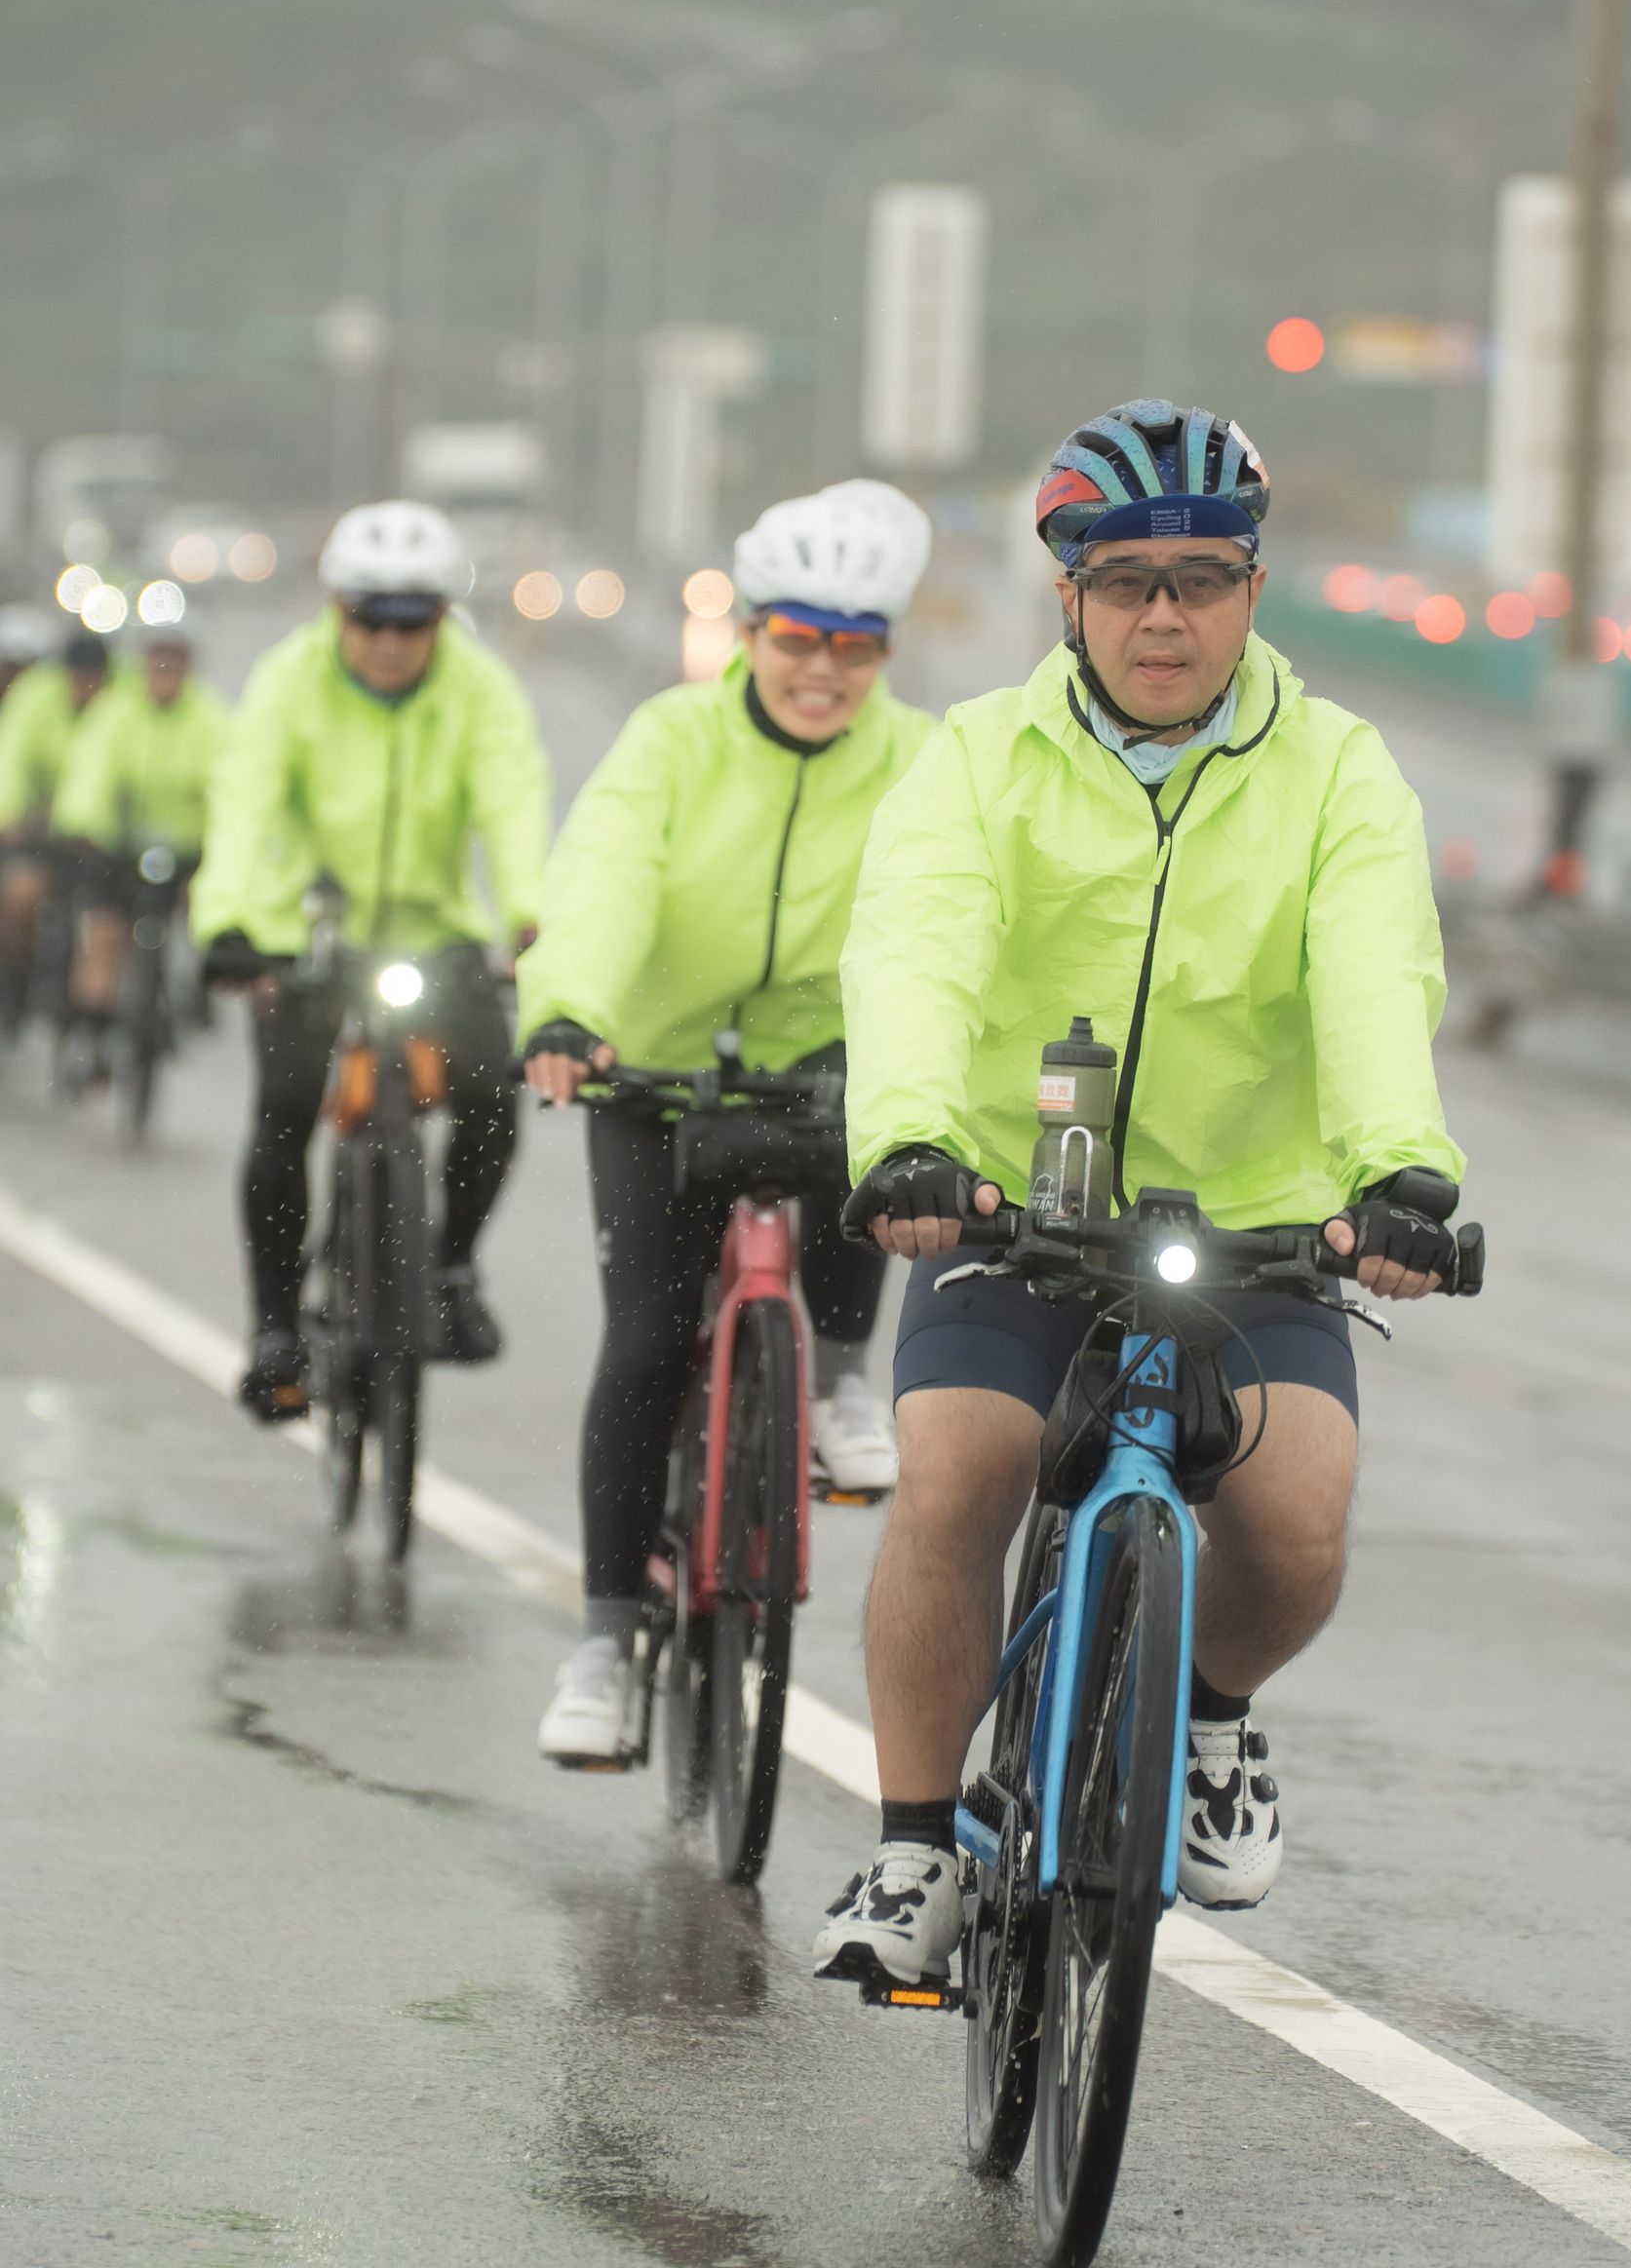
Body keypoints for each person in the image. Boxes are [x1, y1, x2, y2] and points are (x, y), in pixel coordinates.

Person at [814, 399, 1473, 1991]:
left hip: (1258, 1229)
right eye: (1124, 582)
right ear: (1070, 597)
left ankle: (1212, 1720)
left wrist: (1399, 1173)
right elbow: (917, 946)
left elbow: (1374, 974)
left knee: (1298, 1527)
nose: (1162, 617)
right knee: (955, 1476)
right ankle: (916, 1847)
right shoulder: (980, 758)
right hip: (1008, 1213)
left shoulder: (1339, 773)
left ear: (1253, 590)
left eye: (1200, 579)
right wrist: (907, 1146)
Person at [519, 480, 935, 1767]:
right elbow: (605, 876)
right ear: (749, 632)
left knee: (883, 1112)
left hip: (825, 1054)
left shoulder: (923, 760)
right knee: (648, 1340)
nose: (825, 670)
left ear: (885, 652)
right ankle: (602, 1648)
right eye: (798, 638)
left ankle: (843, 1380)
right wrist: (572, 1011)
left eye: (856, 645)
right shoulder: (673, 739)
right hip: (653, 1058)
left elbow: (951, 914)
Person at [191, 501, 551, 1422]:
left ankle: (452, 1267)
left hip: (435, 932)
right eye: (369, 619)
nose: (390, 642)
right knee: (283, 1111)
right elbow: (243, 803)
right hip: (311, 931)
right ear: (336, 610)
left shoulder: (480, 687)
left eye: (413, 621)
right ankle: (274, 1328)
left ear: (442, 619)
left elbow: (514, 804)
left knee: (494, 1093)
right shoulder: (288, 680)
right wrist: (227, 922)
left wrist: (531, 919)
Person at [52, 627, 228, 1083]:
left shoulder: (209, 718)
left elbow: (228, 785)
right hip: (122, 848)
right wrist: (86, 824)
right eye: (158, 664)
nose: (166, 674)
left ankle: (198, 989)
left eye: (176, 665)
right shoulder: (116, 713)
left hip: (187, 850)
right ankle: (91, 1032)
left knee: (204, 912)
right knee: (105, 933)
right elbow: (91, 773)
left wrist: (221, 842)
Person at [0, 627, 114, 1034]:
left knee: (108, 926)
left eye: (94, 678)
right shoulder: (35, 699)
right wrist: (9, 814)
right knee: (19, 898)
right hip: (40, 832)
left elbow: (99, 771)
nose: (86, 686)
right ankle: (15, 979)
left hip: (97, 837)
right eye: (78, 676)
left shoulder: (118, 707)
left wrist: (85, 823)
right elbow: (11, 757)